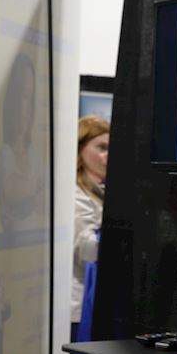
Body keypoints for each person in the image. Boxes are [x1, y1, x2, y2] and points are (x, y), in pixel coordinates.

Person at [72, 115, 109, 332]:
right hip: (78, 308)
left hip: (94, 303)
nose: (108, 155)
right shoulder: (76, 195)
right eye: (102, 148)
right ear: (80, 149)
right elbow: (87, 251)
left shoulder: (99, 192)